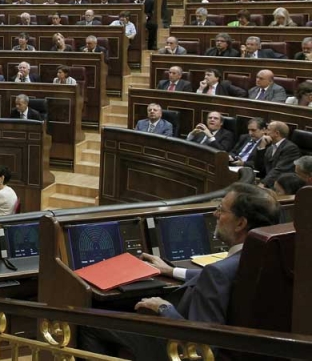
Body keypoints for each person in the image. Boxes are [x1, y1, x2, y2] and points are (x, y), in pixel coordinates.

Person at [81, 184, 279, 360]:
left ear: (240, 224)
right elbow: (222, 279)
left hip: (180, 346)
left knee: (90, 323)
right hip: (252, 349)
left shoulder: (219, 273)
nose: (215, 215)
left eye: (221, 210)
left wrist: (164, 309)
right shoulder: (268, 257)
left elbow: (202, 346)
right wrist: (172, 270)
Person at [248, 121, 301, 188]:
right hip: (268, 183)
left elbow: (280, 170)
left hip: (281, 186)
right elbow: (260, 168)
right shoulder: (270, 148)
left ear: (277, 133)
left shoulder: (290, 148)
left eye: (268, 130)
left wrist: (263, 183)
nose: (265, 132)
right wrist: (262, 146)